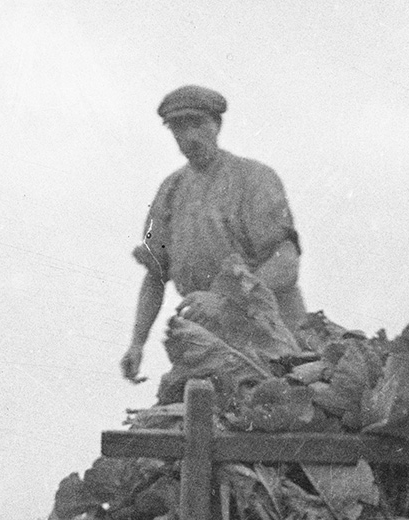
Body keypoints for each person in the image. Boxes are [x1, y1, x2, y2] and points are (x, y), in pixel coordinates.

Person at [121, 84, 306, 383]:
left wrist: (226, 299)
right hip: (208, 339)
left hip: (273, 336)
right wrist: (137, 344)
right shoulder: (171, 191)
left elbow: (286, 264)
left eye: (198, 124)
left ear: (216, 125)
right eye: (179, 128)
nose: (190, 137)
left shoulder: (254, 179)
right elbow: (155, 274)